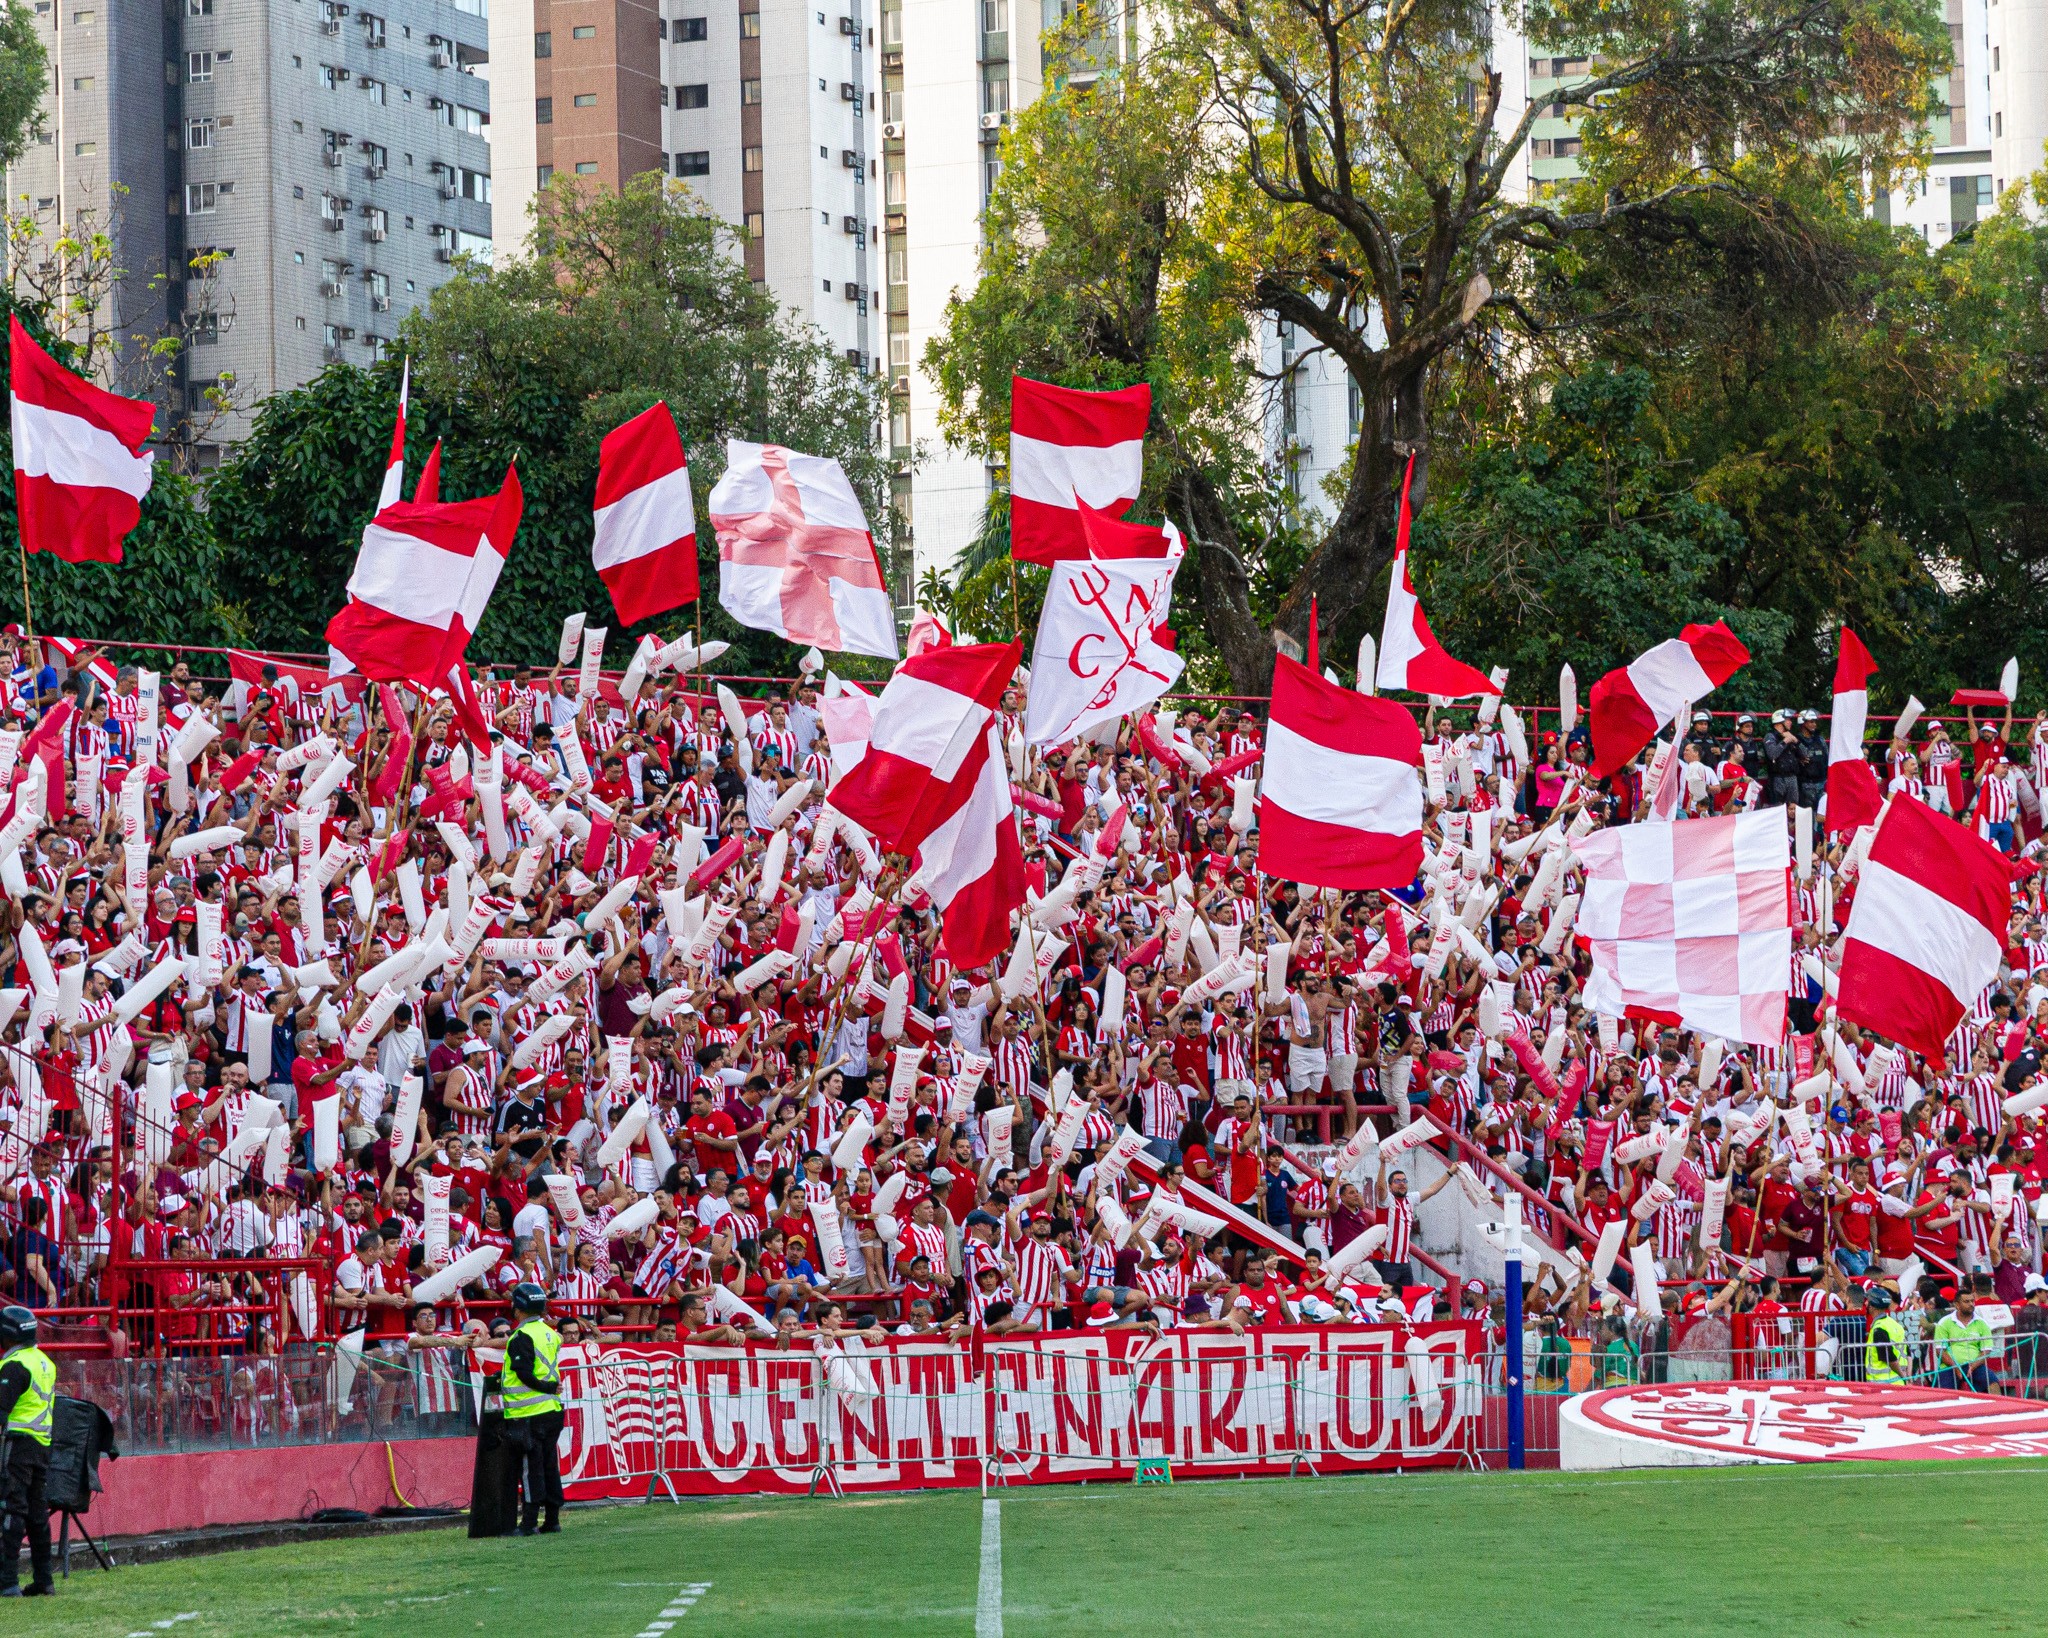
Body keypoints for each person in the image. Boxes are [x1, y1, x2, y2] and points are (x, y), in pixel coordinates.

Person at [498, 1281, 565, 1533]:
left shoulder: (521, 1336)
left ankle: (527, 1523)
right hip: (551, 1411)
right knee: (549, 1467)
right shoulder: (549, 1332)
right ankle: (552, 1520)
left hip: (528, 1414)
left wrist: (546, 1388)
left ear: (518, 1308)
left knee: (530, 1470)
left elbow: (524, 1373)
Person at [0, 1306, 54, 1596]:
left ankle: (7, 1581)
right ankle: (44, 1580)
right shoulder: (44, 1362)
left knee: (13, 1509)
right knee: (37, 1513)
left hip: (18, 1445)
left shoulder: (14, 1365)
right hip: (42, 1445)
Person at [1864, 1286, 1910, 1386]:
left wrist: (1904, 1377)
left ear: (1874, 1305)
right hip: (1898, 1383)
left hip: (1883, 1385)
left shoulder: (1879, 1329)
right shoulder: (1896, 1325)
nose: (1865, 1303)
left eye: (1867, 1301)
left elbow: (1890, 1359)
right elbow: (1908, 1354)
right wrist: (1907, 1378)